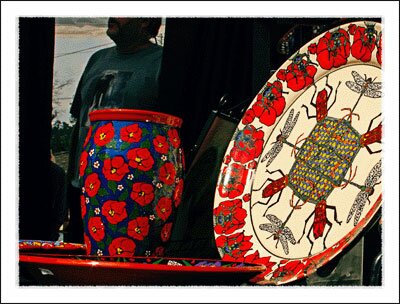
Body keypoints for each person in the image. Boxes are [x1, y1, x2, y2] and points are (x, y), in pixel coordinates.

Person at [64, 17, 163, 243]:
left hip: (131, 191)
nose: (113, 15)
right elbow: (80, 123)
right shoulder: (97, 59)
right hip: (84, 185)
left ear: (145, 22)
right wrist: (71, 184)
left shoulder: (162, 62)